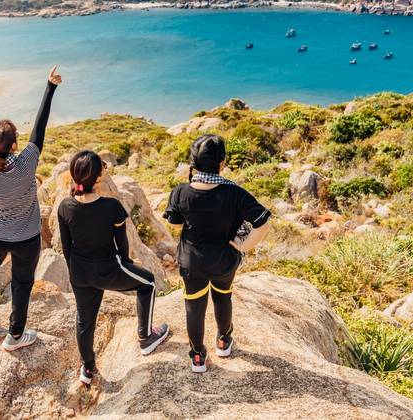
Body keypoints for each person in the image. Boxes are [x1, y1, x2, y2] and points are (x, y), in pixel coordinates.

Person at [0, 66, 61, 352]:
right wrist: (50, 87)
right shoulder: (28, 161)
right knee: (22, 284)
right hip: (28, 238)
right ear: (15, 144)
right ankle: (15, 336)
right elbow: (39, 129)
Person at [58, 150, 170, 385]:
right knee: (148, 282)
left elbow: (66, 247)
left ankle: (87, 369)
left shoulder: (65, 207)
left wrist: (76, 272)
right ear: (98, 178)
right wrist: (127, 264)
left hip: (79, 272)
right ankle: (146, 336)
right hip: (107, 270)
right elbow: (122, 242)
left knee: (84, 320)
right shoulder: (111, 207)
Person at [164, 134, 271, 373]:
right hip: (224, 260)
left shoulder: (180, 192)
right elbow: (263, 224)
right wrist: (243, 246)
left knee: (194, 307)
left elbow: (175, 222)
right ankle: (224, 341)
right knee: (223, 298)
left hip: (192, 262)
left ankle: (198, 356)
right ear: (222, 162)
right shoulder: (235, 193)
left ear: (193, 162)